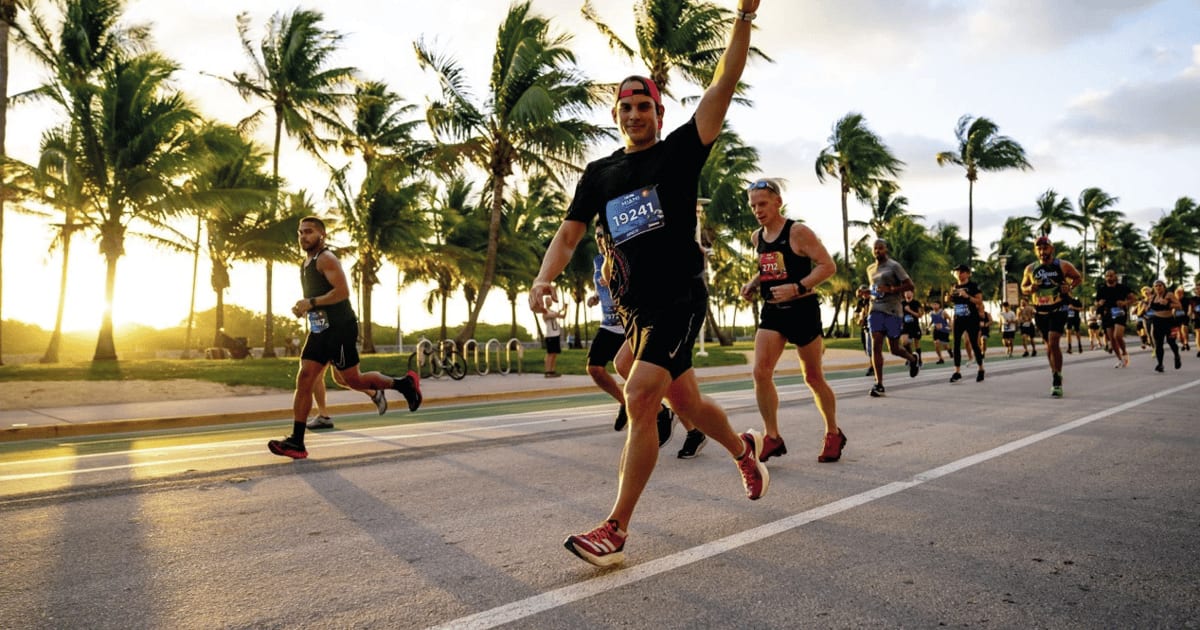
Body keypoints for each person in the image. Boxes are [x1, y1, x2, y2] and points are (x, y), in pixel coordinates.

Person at [528, 1, 767, 568]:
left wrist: (743, 18)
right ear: (616, 114)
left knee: (639, 398)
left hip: (680, 296)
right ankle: (743, 449)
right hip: (635, 308)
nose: (634, 114)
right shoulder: (600, 174)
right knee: (686, 403)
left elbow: (724, 81)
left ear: (658, 112)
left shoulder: (681, 151)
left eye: (644, 106)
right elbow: (568, 237)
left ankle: (616, 527)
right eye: (626, 107)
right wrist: (542, 279)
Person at [268, 216, 422, 459]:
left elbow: (342, 292)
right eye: (300, 233)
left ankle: (404, 384)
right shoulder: (307, 262)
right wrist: (305, 307)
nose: (303, 236)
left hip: (340, 328)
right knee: (305, 377)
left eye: (308, 232)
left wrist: (313, 302)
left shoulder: (326, 258)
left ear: (322, 235)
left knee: (353, 380)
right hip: (320, 330)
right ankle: (297, 441)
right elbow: (317, 295)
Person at [739, 177, 844, 463]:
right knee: (761, 373)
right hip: (773, 311)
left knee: (812, 376)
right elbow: (770, 267)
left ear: (777, 202)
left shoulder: (798, 232)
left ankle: (833, 432)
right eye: (753, 206)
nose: (758, 210)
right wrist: (752, 282)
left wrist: (798, 287)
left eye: (762, 204)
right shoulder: (757, 237)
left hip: (802, 310)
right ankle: (772, 436)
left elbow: (827, 266)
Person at [585, 234, 682, 447]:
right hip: (609, 324)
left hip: (630, 323)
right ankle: (627, 403)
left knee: (667, 380)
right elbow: (603, 288)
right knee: (595, 369)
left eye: (605, 236)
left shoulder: (626, 254)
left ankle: (686, 426)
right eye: (598, 236)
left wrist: (613, 281)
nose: (601, 241)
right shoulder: (598, 261)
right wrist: (596, 296)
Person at [1020, 236, 1082, 397]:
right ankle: (1055, 371)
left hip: (1058, 309)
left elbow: (1078, 277)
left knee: (1054, 342)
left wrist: (1068, 287)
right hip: (1040, 311)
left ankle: (1057, 379)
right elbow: (1023, 287)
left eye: (1045, 248)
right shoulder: (1030, 268)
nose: (1042, 251)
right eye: (1039, 249)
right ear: (1035, 251)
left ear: (1051, 249)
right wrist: (1030, 289)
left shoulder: (1062, 265)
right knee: (1049, 346)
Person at [858, 238, 920, 397]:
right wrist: (867, 294)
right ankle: (879, 384)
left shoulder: (894, 266)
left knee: (894, 349)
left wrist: (891, 289)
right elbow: (875, 290)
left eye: (880, 248)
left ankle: (912, 359)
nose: (877, 251)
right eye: (875, 248)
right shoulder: (870, 269)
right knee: (876, 344)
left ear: (886, 249)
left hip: (893, 310)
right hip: (876, 309)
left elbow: (909, 285)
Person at [947, 263, 986, 383]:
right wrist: (948, 298)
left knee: (974, 344)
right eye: (957, 272)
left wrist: (967, 296)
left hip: (971, 318)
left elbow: (979, 301)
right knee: (956, 344)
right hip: (958, 318)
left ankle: (980, 369)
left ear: (968, 273)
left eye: (962, 272)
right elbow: (951, 300)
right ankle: (957, 371)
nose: (959, 274)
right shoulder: (954, 286)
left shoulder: (973, 286)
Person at [1095, 268, 1137, 369]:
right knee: (1112, 339)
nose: (1109, 277)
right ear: (1105, 278)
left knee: (1117, 335)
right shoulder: (1102, 289)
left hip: (1119, 312)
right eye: (1107, 275)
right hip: (1107, 314)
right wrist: (1099, 304)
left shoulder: (1122, 288)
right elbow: (1096, 303)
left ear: (1115, 277)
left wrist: (1124, 303)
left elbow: (1133, 299)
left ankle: (1125, 353)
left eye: (1111, 275)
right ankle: (1120, 359)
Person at [1146, 280, 1183, 372]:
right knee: (1158, 344)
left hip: (1170, 321)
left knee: (1171, 342)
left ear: (1164, 287)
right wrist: (1147, 306)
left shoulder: (1169, 295)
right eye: (1156, 286)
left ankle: (1177, 356)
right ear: (1154, 288)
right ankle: (1160, 364)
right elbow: (1148, 308)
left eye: (1160, 285)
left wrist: (1168, 304)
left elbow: (1179, 306)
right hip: (1157, 321)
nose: (1158, 287)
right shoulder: (1152, 297)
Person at [542, 303, 568, 377]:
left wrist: (565, 309)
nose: (549, 301)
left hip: (556, 334)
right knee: (550, 353)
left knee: (554, 354)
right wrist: (561, 309)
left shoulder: (552, 311)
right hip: (550, 335)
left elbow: (563, 316)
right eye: (547, 300)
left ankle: (552, 371)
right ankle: (547, 372)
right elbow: (554, 315)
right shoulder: (544, 312)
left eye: (549, 300)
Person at [853, 287, 874, 375]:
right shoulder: (860, 302)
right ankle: (873, 364)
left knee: (871, 348)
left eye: (866, 292)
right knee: (867, 348)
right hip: (864, 326)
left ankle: (872, 366)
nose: (864, 294)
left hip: (873, 326)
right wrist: (858, 319)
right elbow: (856, 314)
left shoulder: (873, 300)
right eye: (863, 293)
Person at [901, 289, 924, 366]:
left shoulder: (916, 303)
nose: (907, 294)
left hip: (914, 326)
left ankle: (919, 360)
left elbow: (920, 315)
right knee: (904, 342)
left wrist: (910, 310)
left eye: (909, 292)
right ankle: (910, 358)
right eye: (906, 292)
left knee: (916, 343)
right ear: (904, 294)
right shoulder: (902, 303)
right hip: (905, 326)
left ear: (912, 294)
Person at [1174, 287, 1190, 352]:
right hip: (1176, 318)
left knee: (1184, 328)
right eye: (1177, 293)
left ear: (1182, 293)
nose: (1179, 294)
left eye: (1180, 293)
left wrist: (1189, 312)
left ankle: (1186, 342)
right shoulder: (1174, 300)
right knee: (1179, 334)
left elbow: (1190, 306)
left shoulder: (1186, 300)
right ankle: (1183, 344)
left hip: (1184, 317)